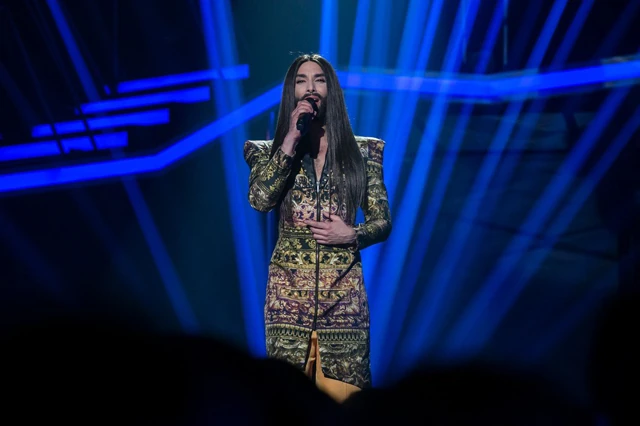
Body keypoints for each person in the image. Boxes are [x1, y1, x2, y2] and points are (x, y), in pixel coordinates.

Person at [243, 53, 392, 402]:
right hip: (287, 308)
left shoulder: (364, 152)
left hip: (344, 309)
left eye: (319, 80)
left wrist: (352, 234)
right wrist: (289, 143)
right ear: (291, 93)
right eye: (301, 81)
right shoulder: (264, 152)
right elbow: (260, 200)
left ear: (331, 90)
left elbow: (383, 221)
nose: (311, 88)